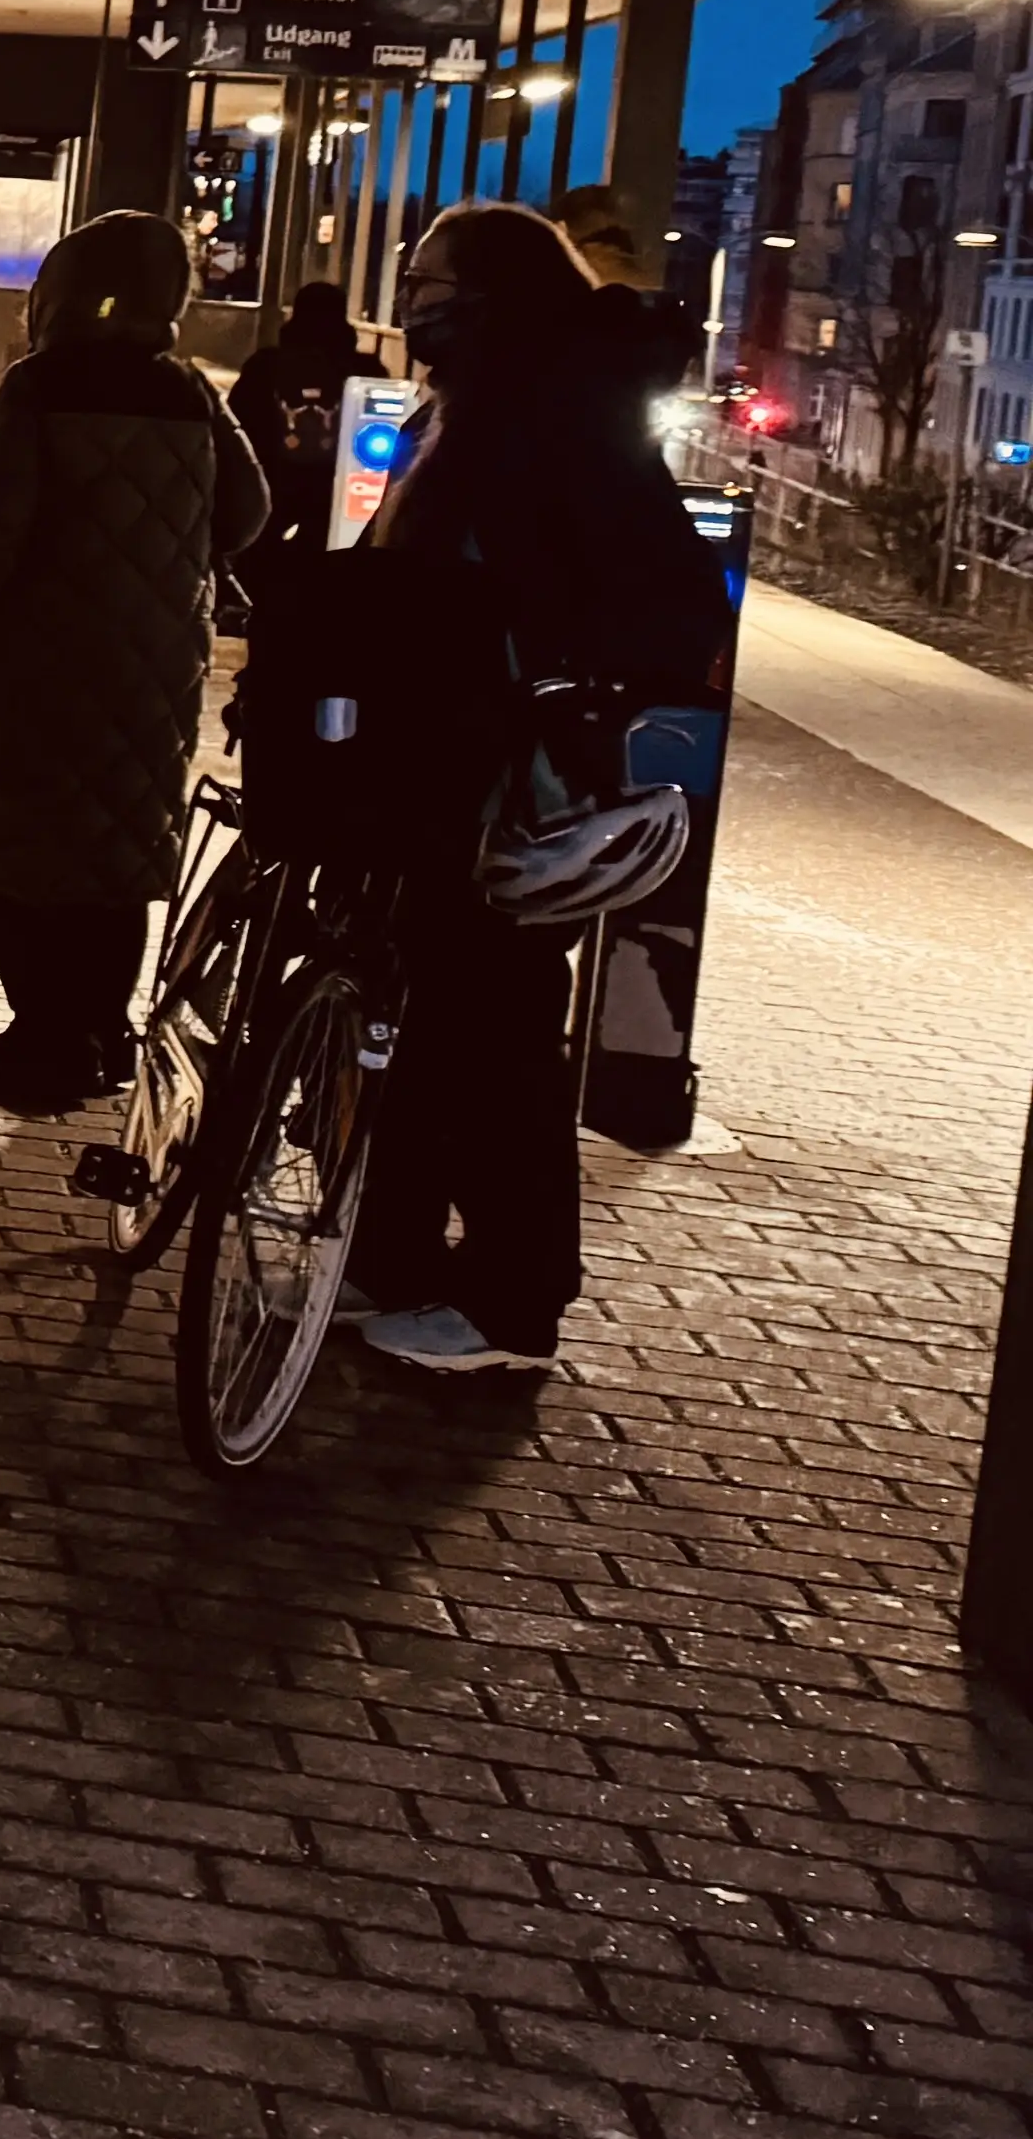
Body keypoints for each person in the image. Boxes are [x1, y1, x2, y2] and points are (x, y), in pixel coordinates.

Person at [342, 201, 737, 1374]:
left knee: (494, 1026)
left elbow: (502, 579)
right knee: (432, 1013)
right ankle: (394, 1252)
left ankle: (513, 1302)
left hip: (508, 771)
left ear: (491, 296)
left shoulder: (538, 408)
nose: (415, 301)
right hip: (457, 754)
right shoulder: (513, 392)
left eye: (433, 282)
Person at [0, 208, 271, 1113]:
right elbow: (250, 512)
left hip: (37, 661)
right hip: (155, 667)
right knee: (115, 845)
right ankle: (102, 1035)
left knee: (14, 846)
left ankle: (43, 1043)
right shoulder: (188, 391)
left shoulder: (42, 386)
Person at [225, 278, 377, 567]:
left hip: (270, 493)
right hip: (335, 501)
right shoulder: (366, 372)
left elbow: (237, 429)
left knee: (261, 568)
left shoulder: (264, 367)